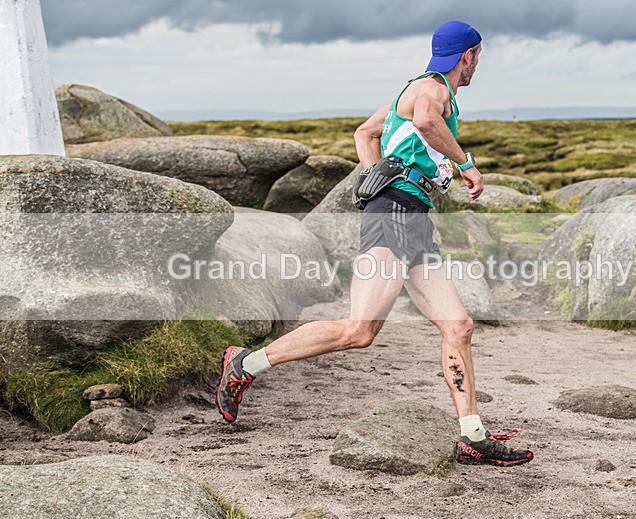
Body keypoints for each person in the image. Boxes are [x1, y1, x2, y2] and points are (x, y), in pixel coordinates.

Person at [215, 21, 533, 467]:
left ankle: (471, 436)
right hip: (395, 215)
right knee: (358, 330)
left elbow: (365, 133)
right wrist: (468, 164)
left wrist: (374, 174)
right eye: (478, 56)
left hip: (412, 217)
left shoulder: (413, 91)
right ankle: (245, 365)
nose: (477, 62)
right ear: (470, 55)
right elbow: (425, 120)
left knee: (458, 326)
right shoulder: (433, 89)